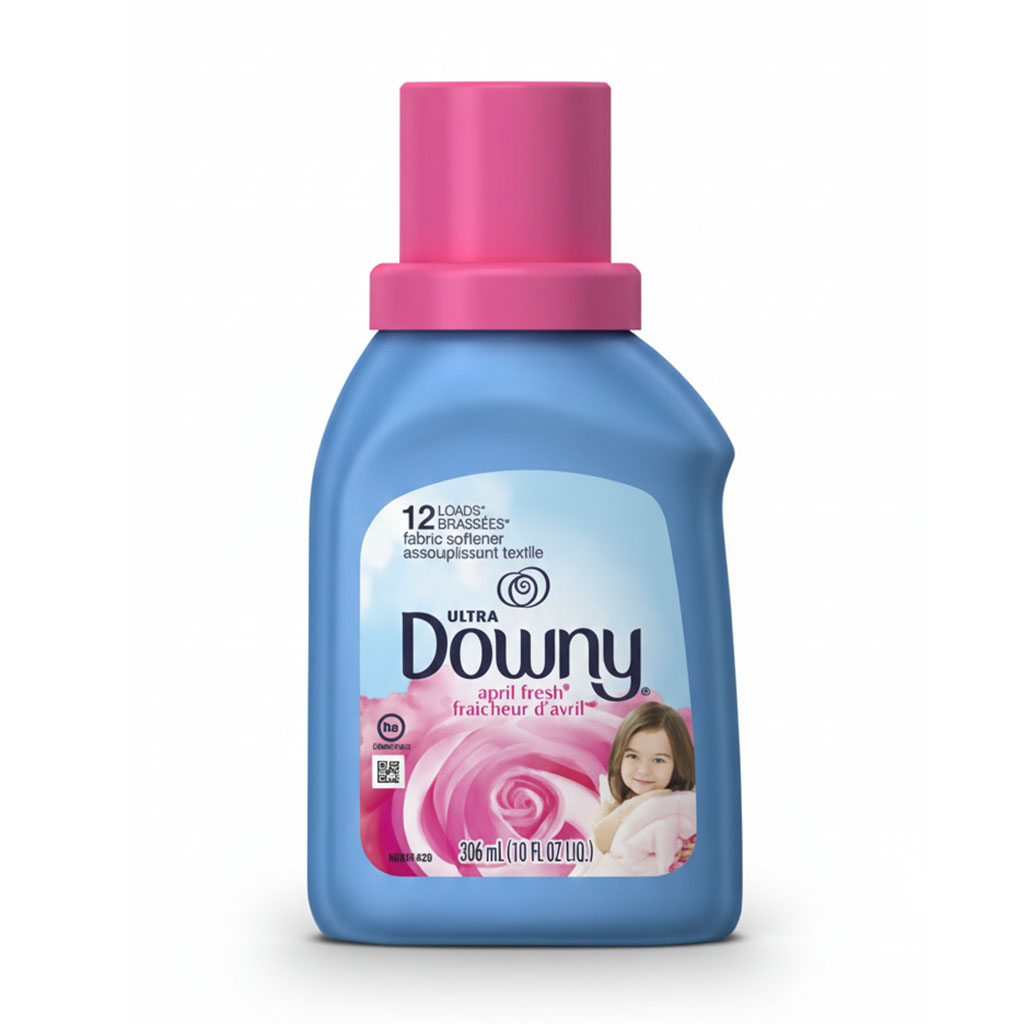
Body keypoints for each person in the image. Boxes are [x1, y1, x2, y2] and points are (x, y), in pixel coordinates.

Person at [571, 702, 697, 877]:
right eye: (633, 756)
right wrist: (639, 802)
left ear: (676, 764)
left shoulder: (681, 805)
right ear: (619, 755)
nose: (644, 770)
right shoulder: (612, 799)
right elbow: (601, 842)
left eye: (658, 760)